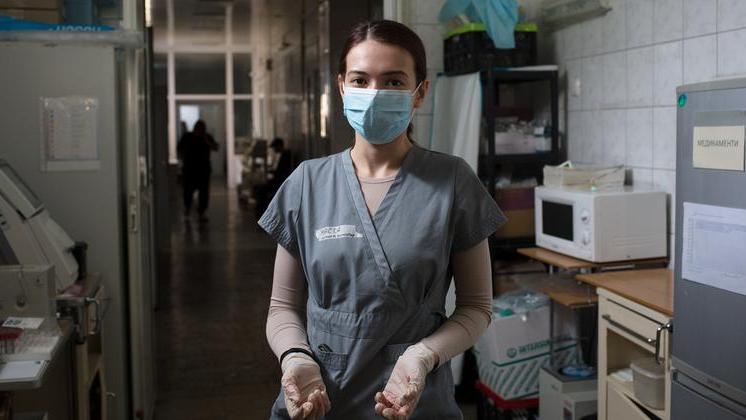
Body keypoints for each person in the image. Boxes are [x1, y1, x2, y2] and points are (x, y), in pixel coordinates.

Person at [259, 20, 505, 420]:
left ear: (419, 92)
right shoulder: (307, 183)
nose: (374, 94)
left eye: (393, 81)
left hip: (416, 401)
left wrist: (424, 356)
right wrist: (294, 356)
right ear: (342, 87)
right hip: (317, 399)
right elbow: (282, 307)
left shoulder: (453, 182)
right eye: (360, 80)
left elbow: (476, 307)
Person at [177, 120, 219, 221]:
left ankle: (201, 212)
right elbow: (179, 149)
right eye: (199, 128)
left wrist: (207, 141)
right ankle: (187, 210)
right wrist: (182, 158)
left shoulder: (206, 137)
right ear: (195, 128)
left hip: (203, 171)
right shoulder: (187, 136)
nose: (200, 130)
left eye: (202, 129)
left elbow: (216, 147)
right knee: (188, 192)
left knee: (203, 193)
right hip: (190, 170)